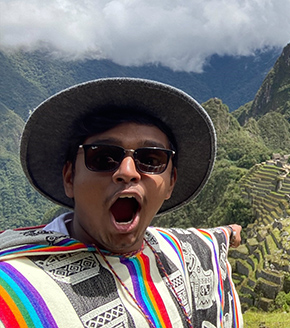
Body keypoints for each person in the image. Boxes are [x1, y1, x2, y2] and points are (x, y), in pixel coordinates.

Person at [0, 78, 244, 327]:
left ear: (171, 182)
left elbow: (208, 239)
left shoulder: (181, 254)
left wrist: (230, 233)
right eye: (104, 157)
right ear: (70, 177)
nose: (127, 172)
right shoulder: (13, 288)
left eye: (151, 159)